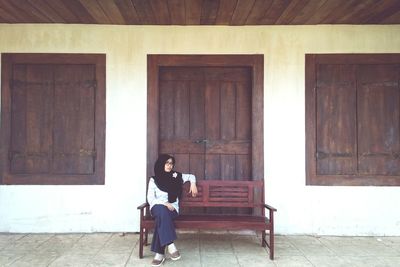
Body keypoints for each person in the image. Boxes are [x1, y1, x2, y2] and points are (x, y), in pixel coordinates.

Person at [147, 154, 198, 267]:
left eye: (171, 163)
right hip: (157, 206)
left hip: (172, 208)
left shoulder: (176, 176)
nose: (169, 166)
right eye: (167, 163)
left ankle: (159, 254)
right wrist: (164, 203)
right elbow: (151, 199)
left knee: (161, 217)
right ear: (161, 164)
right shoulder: (153, 180)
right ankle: (170, 244)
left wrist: (193, 184)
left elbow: (191, 176)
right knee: (161, 211)